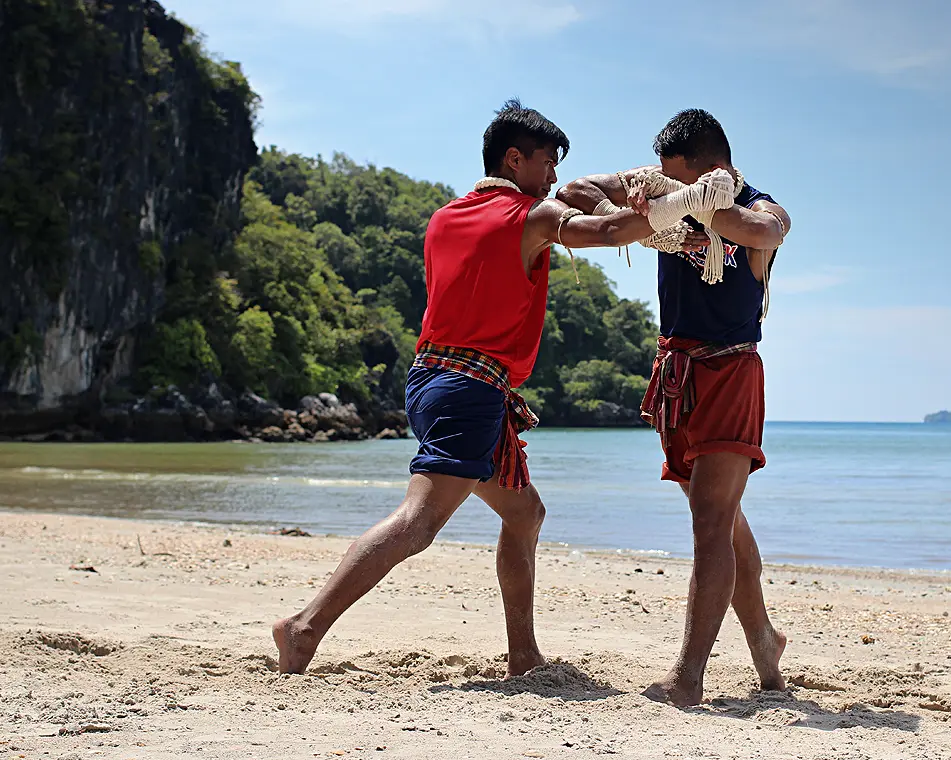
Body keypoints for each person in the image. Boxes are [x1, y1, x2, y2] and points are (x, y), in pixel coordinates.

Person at [272, 99, 717, 677]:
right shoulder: (529, 217)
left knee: (525, 513)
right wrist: (688, 203)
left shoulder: (444, 218)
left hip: (432, 380)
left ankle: (523, 654)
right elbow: (607, 230)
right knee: (418, 522)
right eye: (548, 164)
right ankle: (304, 627)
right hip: (470, 389)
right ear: (515, 159)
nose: (554, 177)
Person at [555, 108, 792, 706]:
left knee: (711, 521)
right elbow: (576, 191)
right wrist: (647, 207)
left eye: (676, 177)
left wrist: (684, 208)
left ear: (712, 167)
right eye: (661, 177)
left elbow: (763, 234)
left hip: (731, 369)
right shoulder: (661, 193)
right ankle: (763, 636)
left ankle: (688, 676)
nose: (664, 185)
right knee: (719, 514)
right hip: (676, 373)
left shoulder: (762, 207)